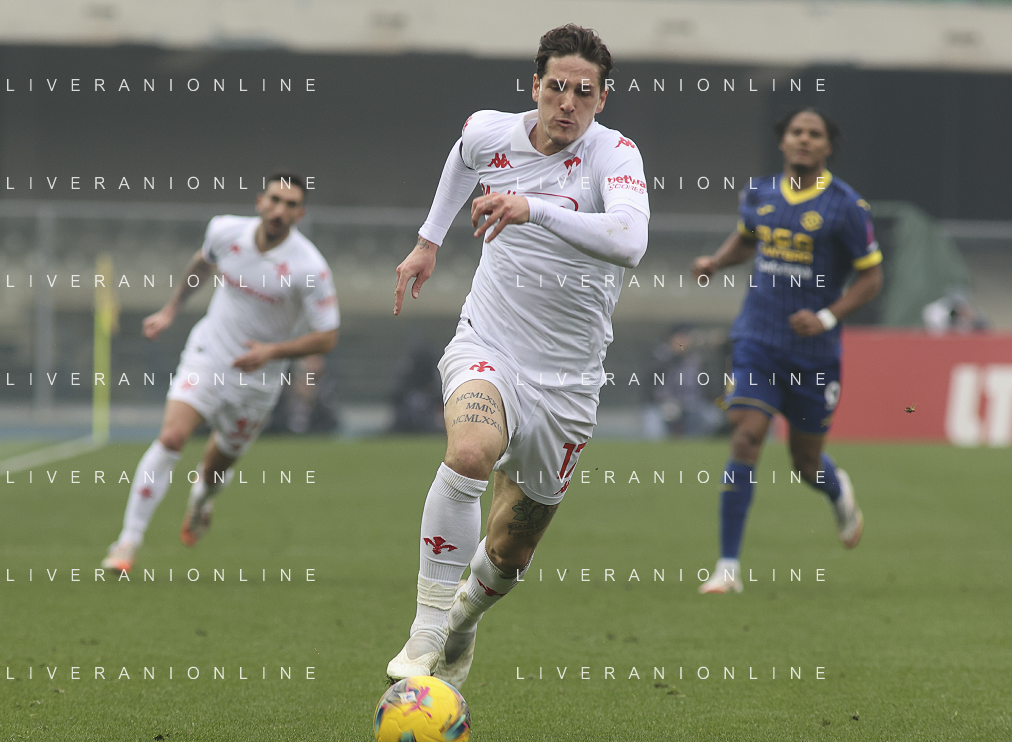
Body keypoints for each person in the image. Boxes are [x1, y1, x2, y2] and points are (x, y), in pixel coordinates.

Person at [385, 24, 649, 688]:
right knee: (470, 452)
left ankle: (463, 619)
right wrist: (428, 241)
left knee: (511, 550)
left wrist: (533, 208)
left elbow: (629, 240)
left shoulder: (613, 154)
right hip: (490, 343)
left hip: (567, 381)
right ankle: (425, 634)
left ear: (601, 99)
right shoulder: (490, 132)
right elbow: (461, 156)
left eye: (583, 92)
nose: (567, 102)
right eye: (556, 87)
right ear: (535, 86)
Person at [101, 174, 339, 573]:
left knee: (215, 468)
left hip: (259, 379)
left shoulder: (310, 267)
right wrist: (170, 310)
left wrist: (271, 352)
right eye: (274, 199)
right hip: (209, 355)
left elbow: (328, 336)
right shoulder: (224, 231)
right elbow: (203, 263)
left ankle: (201, 500)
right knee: (172, 437)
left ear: (300, 214)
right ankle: (127, 542)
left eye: (290, 204)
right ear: (260, 201)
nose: (279, 210)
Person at [691, 108, 883, 594]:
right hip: (757, 338)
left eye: (814, 134)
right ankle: (727, 568)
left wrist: (826, 317)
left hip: (814, 353)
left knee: (806, 463)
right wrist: (716, 261)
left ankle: (838, 492)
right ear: (783, 142)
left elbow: (871, 278)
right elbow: (747, 239)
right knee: (746, 436)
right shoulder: (760, 192)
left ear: (827, 147)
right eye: (796, 132)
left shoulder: (846, 206)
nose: (803, 139)